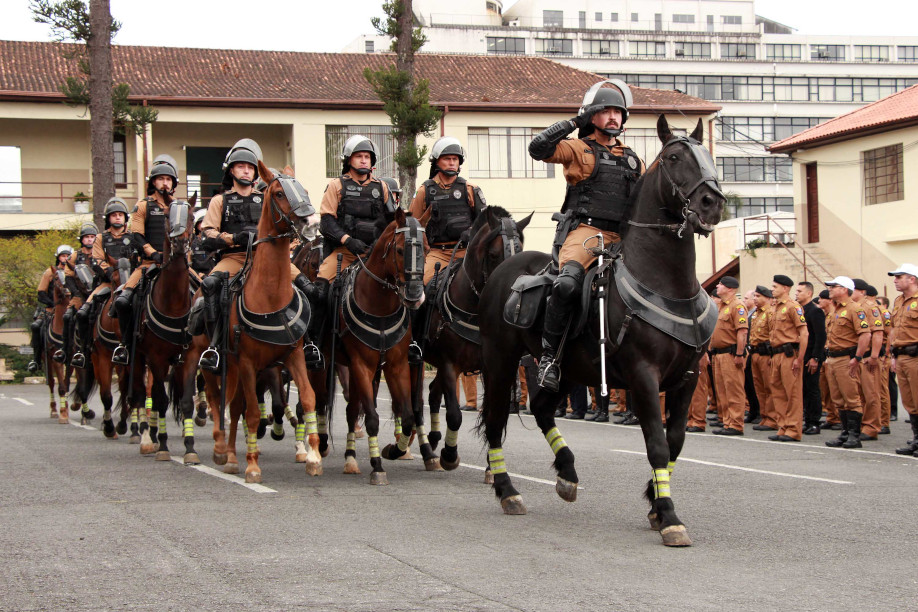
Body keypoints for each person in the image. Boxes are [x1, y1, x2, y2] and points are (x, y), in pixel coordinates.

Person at [527, 80, 644, 391]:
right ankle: (549, 358)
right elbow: (538, 148)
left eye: (618, 112)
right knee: (566, 285)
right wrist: (574, 123)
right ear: (592, 116)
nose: (613, 117)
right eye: (606, 111)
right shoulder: (579, 148)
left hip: (623, 238)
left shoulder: (633, 159)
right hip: (587, 233)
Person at [196, 139, 314, 371]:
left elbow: (284, 225)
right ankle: (214, 346)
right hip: (234, 259)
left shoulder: (267, 197)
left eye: (250, 167)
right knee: (209, 286)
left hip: (266, 259)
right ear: (231, 171)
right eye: (241, 166)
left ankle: (308, 343)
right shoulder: (220, 200)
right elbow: (207, 234)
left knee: (308, 288)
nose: (246, 171)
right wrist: (233, 238)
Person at [310, 135, 397, 359]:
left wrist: (379, 244)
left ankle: (408, 342)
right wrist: (348, 240)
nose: (364, 160)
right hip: (344, 254)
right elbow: (326, 222)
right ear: (349, 160)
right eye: (359, 156)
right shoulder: (336, 185)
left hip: (374, 255)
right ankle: (315, 344)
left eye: (367, 157)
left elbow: (392, 221)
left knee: (405, 285)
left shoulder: (382, 187)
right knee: (320, 289)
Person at [111, 154, 180, 365]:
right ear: (153, 182)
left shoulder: (179, 206)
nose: (165, 183)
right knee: (122, 300)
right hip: (149, 263)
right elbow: (137, 236)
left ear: (173, 183)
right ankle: (125, 345)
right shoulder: (143, 205)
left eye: (168, 179)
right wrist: (153, 254)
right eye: (161, 179)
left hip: (176, 264)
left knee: (203, 293)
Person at [408, 137, 486, 285]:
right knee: (420, 284)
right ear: (436, 161)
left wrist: (472, 231)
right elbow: (414, 225)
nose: (452, 163)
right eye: (447, 159)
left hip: (467, 252)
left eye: (455, 159)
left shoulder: (471, 189)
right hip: (438, 253)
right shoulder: (424, 191)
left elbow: (485, 221)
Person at [72, 198, 134, 368]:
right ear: (108, 219)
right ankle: (84, 351)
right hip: (108, 282)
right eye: (114, 215)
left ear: (125, 218)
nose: (117, 217)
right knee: (83, 313)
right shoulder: (100, 238)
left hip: (132, 281)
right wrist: (111, 273)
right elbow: (97, 260)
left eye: (120, 214)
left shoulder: (133, 236)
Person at [823, 276, 871, 449]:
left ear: (844, 289)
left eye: (833, 286)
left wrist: (857, 357)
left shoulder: (854, 309)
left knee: (851, 398)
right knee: (838, 398)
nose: (830, 289)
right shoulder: (834, 310)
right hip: (833, 358)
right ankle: (844, 432)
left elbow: (865, 334)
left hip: (846, 359)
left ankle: (854, 435)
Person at [767, 275, 809, 441]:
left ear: (785, 288)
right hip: (776, 353)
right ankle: (783, 426)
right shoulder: (775, 307)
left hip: (789, 354)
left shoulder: (793, 306)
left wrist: (800, 359)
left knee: (792, 393)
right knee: (778, 392)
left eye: (775, 287)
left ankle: (793, 429)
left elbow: (804, 333)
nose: (772, 289)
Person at [54, 223, 99, 363]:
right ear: (82, 239)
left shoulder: (100, 253)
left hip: (99, 292)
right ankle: (66, 349)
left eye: (92, 237)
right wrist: (76, 293)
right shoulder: (74, 255)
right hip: (80, 294)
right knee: (68, 316)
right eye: (87, 237)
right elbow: (68, 277)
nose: (89, 239)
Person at [710, 276, 748, 435]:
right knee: (722, 391)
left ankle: (736, 424)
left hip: (731, 353)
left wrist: (739, 353)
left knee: (734, 390)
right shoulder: (722, 306)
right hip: (719, 354)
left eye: (721, 284)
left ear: (730, 289)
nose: (717, 286)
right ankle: (727, 422)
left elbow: (742, 332)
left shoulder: (737, 306)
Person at [888, 264, 918, 456]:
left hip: (916, 355)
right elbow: (894, 329)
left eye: (899, 277)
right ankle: (916, 439)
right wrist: (893, 355)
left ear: (912, 279)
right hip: (901, 355)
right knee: (909, 402)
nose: (895, 280)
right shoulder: (899, 301)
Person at [27, 245, 72, 372]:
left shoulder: (75, 271)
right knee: (36, 327)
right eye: (63, 256)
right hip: (51, 309)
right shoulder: (49, 272)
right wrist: (54, 304)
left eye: (68, 256)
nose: (65, 258)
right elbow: (41, 293)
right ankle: (36, 360)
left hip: (72, 308)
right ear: (58, 258)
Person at [850, 278, 885, 441]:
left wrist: (874, 356)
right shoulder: (852, 307)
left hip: (868, 356)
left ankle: (871, 427)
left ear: (862, 292)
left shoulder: (870, 307)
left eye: (852, 289)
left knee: (871, 393)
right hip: (856, 356)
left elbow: (877, 332)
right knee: (858, 393)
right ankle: (862, 424)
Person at [795, 281, 826, 434]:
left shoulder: (815, 311)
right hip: (801, 355)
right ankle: (807, 420)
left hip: (811, 356)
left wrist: (816, 357)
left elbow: (820, 336)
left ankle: (814, 422)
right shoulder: (799, 310)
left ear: (809, 293)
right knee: (804, 389)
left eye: (800, 291)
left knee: (812, 389)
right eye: (796, 291)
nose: (796, 293)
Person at [748, 285, 776, 431]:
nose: (755, 299)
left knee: (769, 386)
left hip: (766, 354)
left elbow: (773, 335)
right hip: (755, 353)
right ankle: (764, 416)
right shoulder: (756, 313)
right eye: (754, 296)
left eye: (758, 296)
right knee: (759, 387)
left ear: (768, 298)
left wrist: (772, 354)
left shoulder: (770, 313)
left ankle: (772, 418)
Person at [816, 289, 840, 429]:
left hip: (834, 355)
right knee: (825, 389)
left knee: (835, 389)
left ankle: (838, 418)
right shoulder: (824, 316)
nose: (819, 301)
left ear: (830, 301)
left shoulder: (835, 314)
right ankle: (832, 417)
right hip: (824, 355)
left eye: (821, 298)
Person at [871, 288, 892, 434]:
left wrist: (886, 354)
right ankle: (875, 419)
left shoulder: (882, 312)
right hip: (873, 353)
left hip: (882, 354)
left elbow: (890, 334)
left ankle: (884, 422)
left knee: (882, 390)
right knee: (873, 390)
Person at [189, 208, 215, 278]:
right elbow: (188, 264)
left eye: (205, 221)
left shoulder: (215, 241)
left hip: (213, 275)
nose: (203, 224)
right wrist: (198, 275)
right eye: (201, 222)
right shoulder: (191, 242)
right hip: (196, 275)